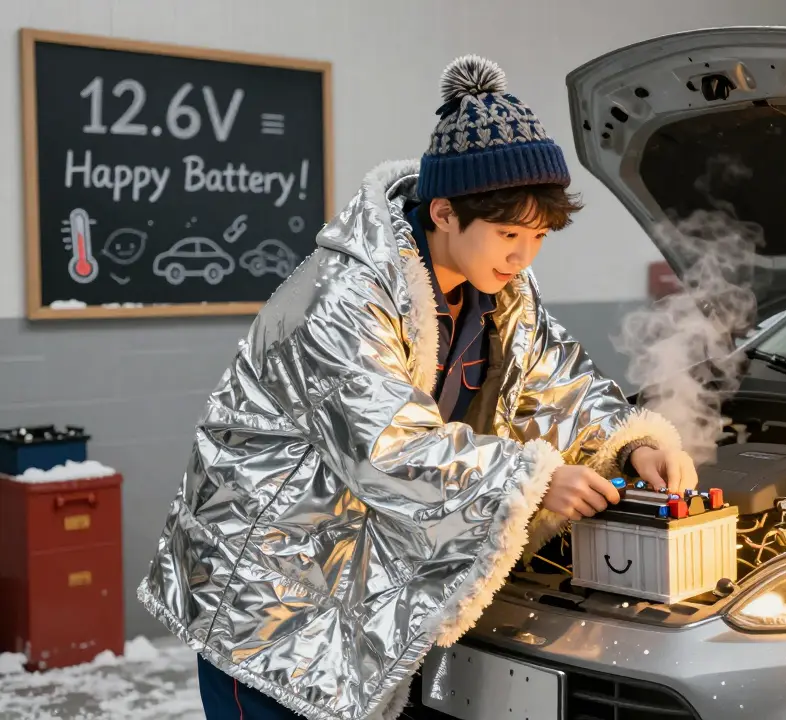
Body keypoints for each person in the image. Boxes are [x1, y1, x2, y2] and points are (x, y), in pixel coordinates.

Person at [137, 55, 697, 720]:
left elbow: (557, 384)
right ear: (443, 213)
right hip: (268, 586)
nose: (523, 255)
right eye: (509, 233)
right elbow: (386, 447)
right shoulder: (345, 294)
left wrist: (631, 442)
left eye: (539, 237)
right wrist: (529, 479)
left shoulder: (501, 292)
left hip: (351, 577)